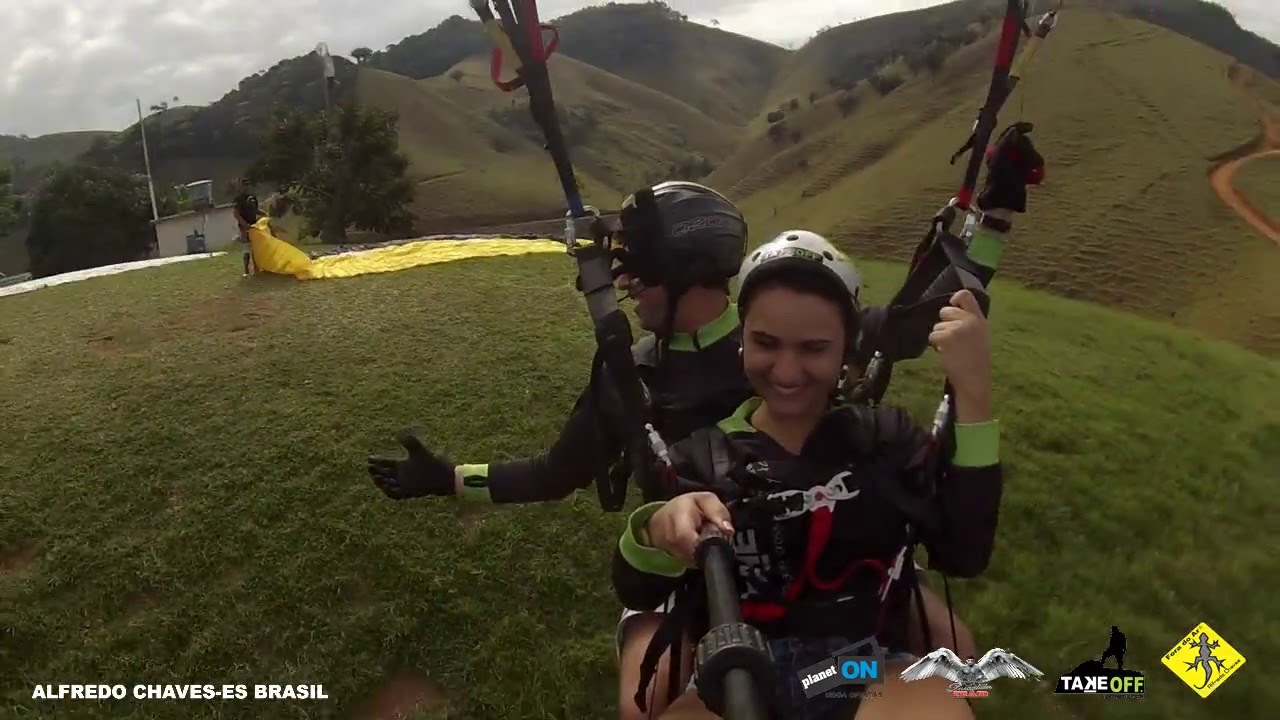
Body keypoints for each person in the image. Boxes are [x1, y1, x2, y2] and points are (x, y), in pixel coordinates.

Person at [365, 183, 976, 719]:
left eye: (641, 269)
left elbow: (924, 318)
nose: (625, 282)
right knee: (643, 703)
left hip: (819, 553)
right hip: (683, 563)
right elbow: (557, 472)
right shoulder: (631, 379)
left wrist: (990, 222)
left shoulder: (782, 337)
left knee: (960, 661)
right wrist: (449, 478)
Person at [611, 231, 1003, 719]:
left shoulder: (885, 441)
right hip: (737, 672)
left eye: (813, 348)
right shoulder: (703, 458)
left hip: (858, 668)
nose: (788, 371)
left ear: (847, 349)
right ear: (741, 341)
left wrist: (974, 397)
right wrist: (657, 529)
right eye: (766, 343)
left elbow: (964, 552)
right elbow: (638, 589)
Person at [233, 186, 258, 278]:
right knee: (246, 248)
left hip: (255, 226)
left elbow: (256, 210)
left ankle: (257, 268)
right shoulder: (239, 199)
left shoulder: (253, 197)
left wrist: (264, 215)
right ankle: (246, 271)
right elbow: (236, 214)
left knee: (256, 248)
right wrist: (244, 224)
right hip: (244, 227)